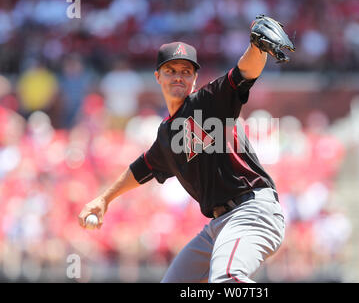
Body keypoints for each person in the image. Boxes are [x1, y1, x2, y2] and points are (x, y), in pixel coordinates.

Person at [79, 16, 294, 283]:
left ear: (194, 78)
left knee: (228, 280)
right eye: (171, 70)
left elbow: (243, 74)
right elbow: (142, 168)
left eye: (185, 71)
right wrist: (104, 199)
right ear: (158, 76)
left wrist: (257, 48)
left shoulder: (209, 103)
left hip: (251, 212)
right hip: (218, 226)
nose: (178, 76)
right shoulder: (166, 135)